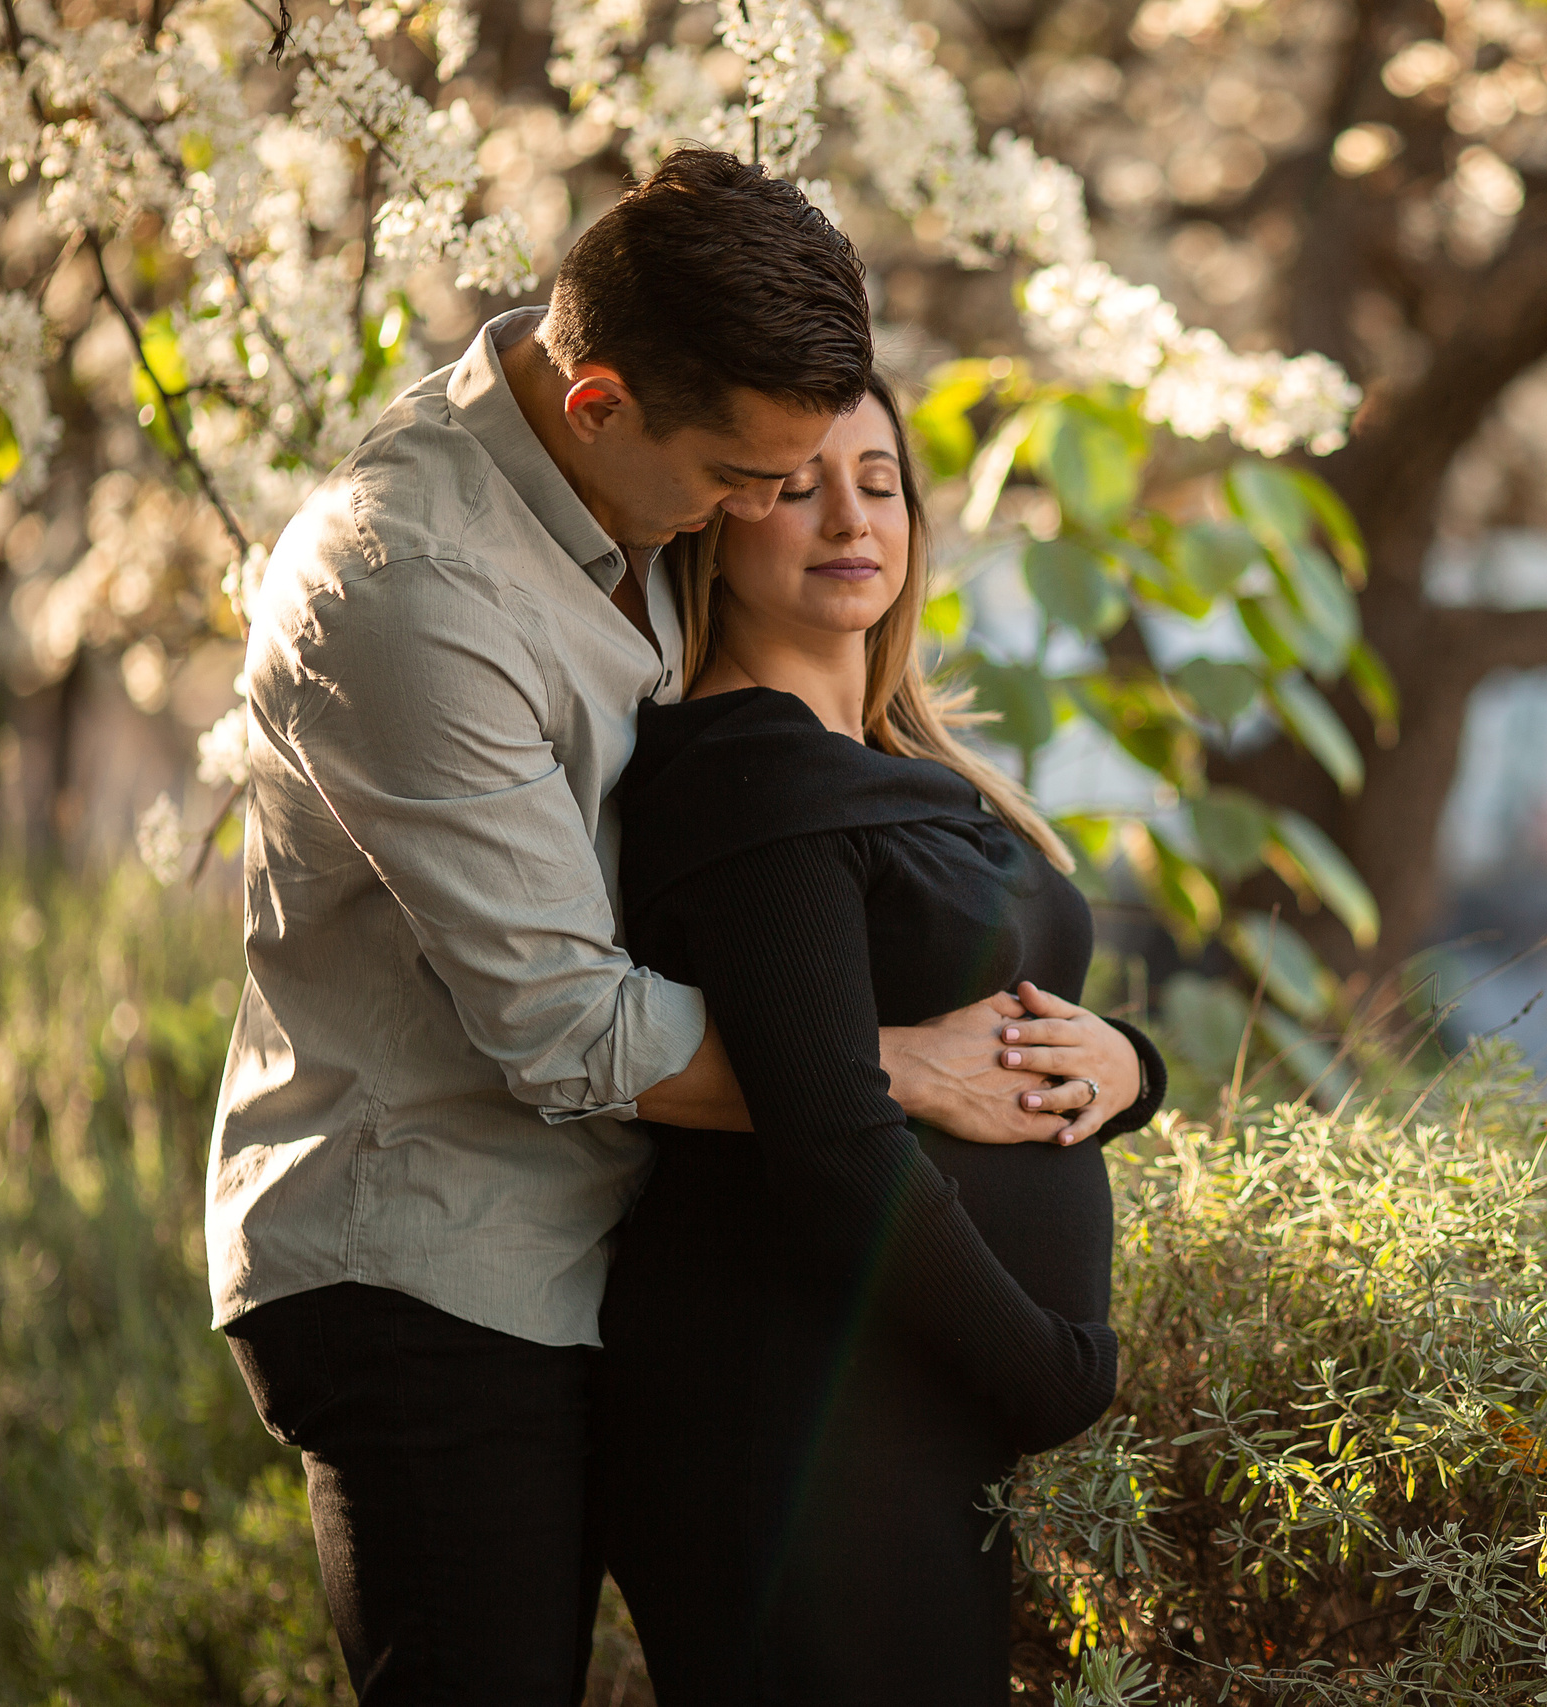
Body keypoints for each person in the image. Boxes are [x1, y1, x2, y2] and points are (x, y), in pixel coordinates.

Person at [208, 150, 1145, 1703]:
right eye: (742, 484)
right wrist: (888, 1070)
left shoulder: (630, 480)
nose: (760, 517)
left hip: (604, 1247)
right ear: (600, 407)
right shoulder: (412, 588)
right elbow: (564, 1020)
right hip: (433, 1264)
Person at [597, 376, 1166, 1703]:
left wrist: (1133, 1068)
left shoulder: (909, 763)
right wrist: (1042, 1368)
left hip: (902, 1404)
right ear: (715, 522)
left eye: (880, 480)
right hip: (794, 1412)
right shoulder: (749, 770)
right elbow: (832, 1139)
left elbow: (1016, 1017)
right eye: (797, 485)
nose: (852, 517)